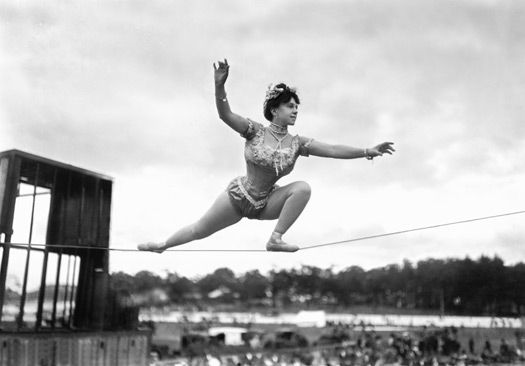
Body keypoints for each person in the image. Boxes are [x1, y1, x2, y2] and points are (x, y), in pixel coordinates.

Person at [138, 59, 395, 253]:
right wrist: (219, 86)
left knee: (302, 188)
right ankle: (163, 245)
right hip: (238, 197)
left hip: (267, 203)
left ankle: (275, 239)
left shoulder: (297, 143)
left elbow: (333, 150)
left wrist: (367, 151)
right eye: (290, 106)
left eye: (297, 107)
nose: (295, 111)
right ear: (274, 110)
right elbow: (225, 115)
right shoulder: (254, 131)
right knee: (198, 230)